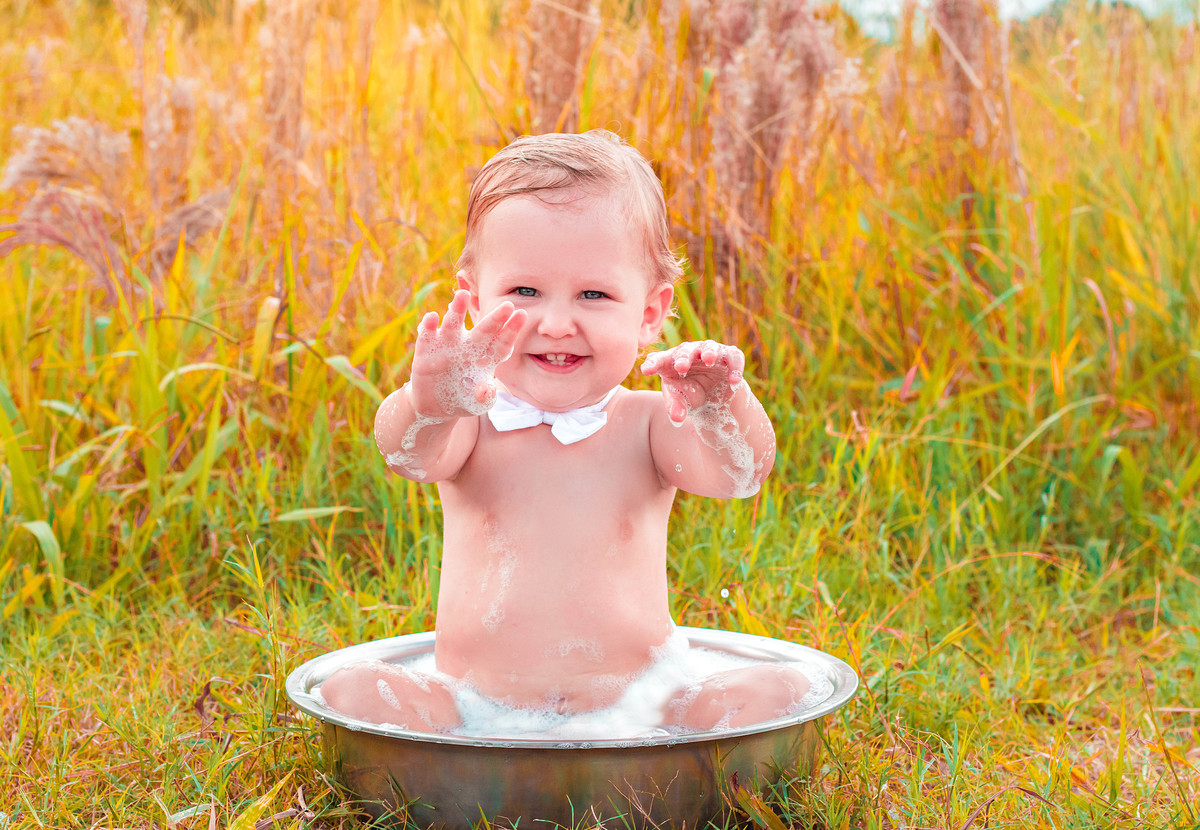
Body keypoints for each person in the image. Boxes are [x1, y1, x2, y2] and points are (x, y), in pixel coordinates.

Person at [320, 130, 812, 735]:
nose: (556, 323)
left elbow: (740, 474)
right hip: (474, 709)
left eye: (594, 294)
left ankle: (675, 752)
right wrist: (432, 402)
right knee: (352, 688)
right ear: (474, 303)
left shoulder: (651, 424)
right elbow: (407, 453)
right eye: (525, 291)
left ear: (650, 314)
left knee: (782, 686)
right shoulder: (470, 423)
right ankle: (453, 756)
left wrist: (720, 405)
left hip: (640, 709)